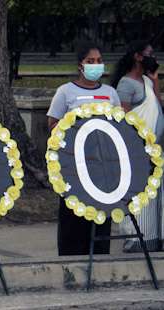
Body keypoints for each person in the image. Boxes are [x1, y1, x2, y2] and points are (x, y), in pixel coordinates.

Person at [47, 42, 121, 256]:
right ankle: (71, 256)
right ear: (80, 65)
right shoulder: (65, 92)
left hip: (103, 165)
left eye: (99, 61)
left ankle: (99, 254)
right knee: (74, 213)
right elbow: (52, 125)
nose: (96, 65)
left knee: (101, 212)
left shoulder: (110, 93)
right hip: (74, 164)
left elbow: (119, 125)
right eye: (91, 61)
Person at [111, 41, 163, 252]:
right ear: (138, 57)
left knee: (155, 195)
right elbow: (125, 119)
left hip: (156, 149)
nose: (154, 57)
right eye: (150, 54)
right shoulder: (126, 84)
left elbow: (158, 107)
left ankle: (154, 236)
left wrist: (156, 83)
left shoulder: (147, 81)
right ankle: (136, 238)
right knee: (139, 194)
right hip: (138, 150)